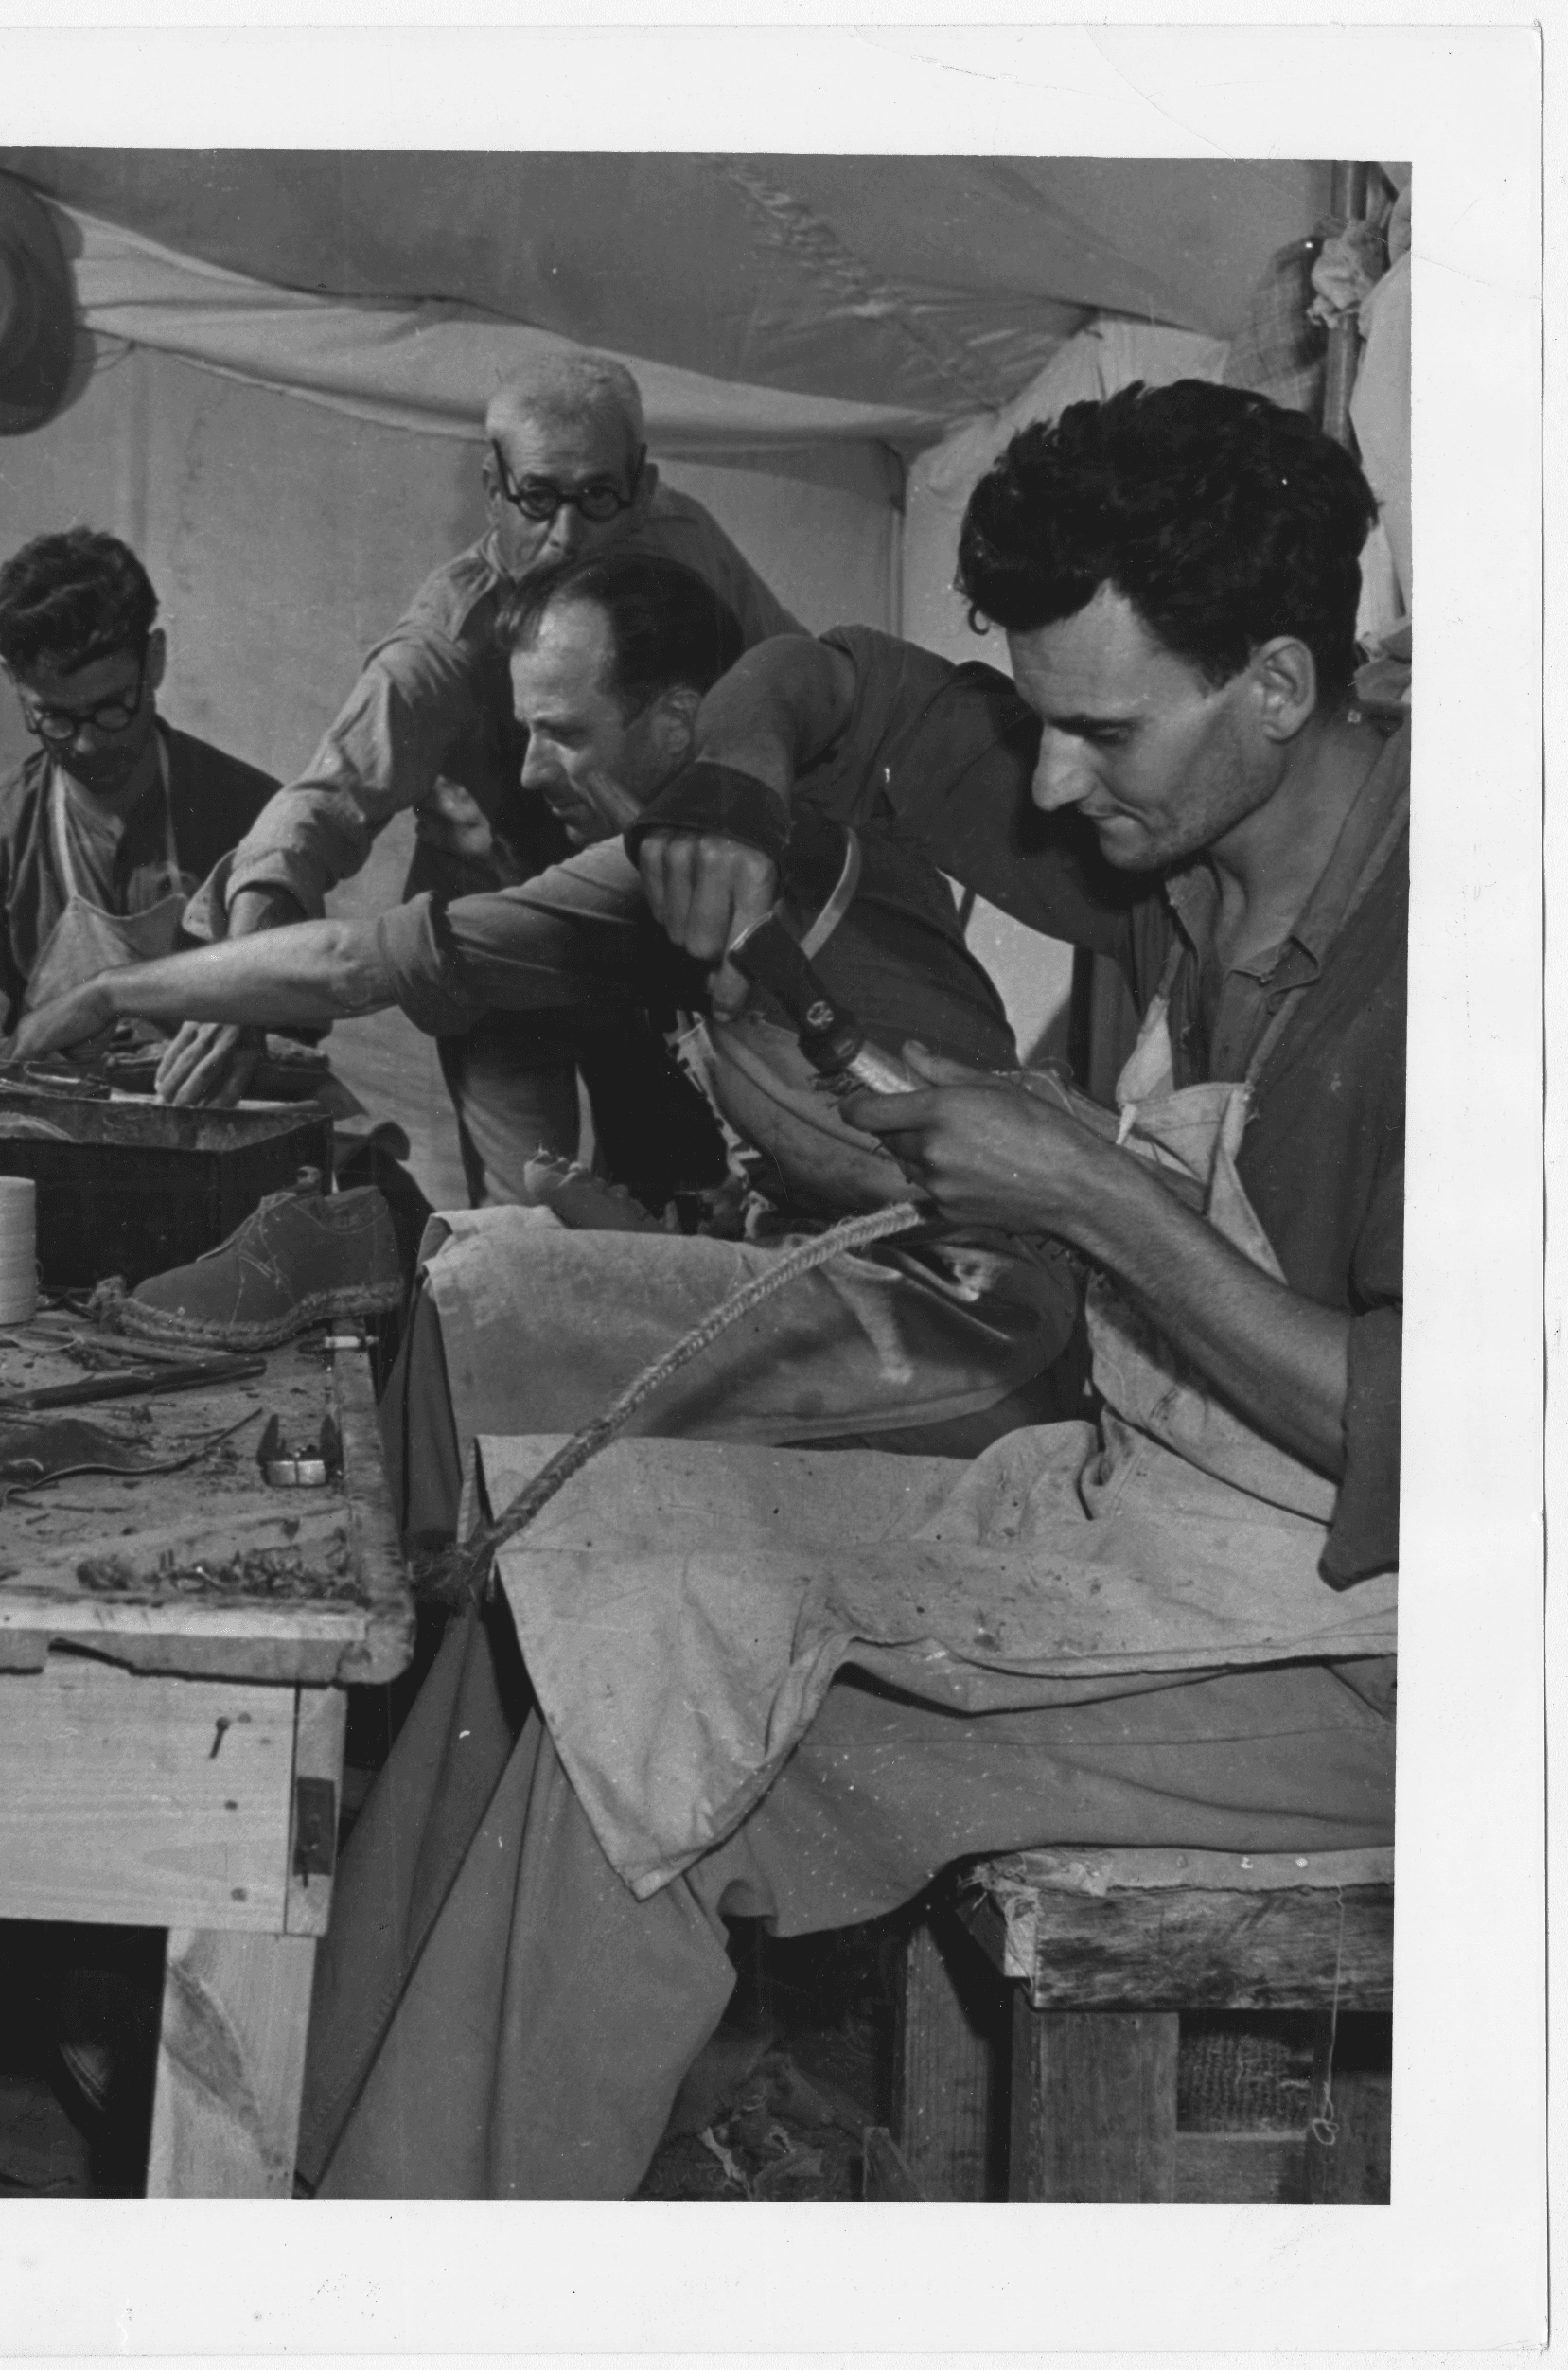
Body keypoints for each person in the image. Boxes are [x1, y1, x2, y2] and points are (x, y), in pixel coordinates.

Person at [293, 380, 1401, 2197]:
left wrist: (1090, 1197)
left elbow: (1449, 1451)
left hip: (1385, 1667)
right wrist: (731, 779)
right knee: (568, 1575)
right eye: (1044, 723)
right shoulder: (1183, 836)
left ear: (1277, 684)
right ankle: (296, 2147)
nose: (1052, 787)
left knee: (663, 1708)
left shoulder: (1464, 949)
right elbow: (852, 683)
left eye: (1098, 732)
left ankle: (401, 2266)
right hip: (1160, 1524)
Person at [14, 545, 1082, 1530]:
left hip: (980, 1330)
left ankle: (430, 1609)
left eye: (562, 732)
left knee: (480, 1306)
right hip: (880, 1287)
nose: (527, 772)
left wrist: (111, 991)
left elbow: (354, 963)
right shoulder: (718, 857)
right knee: (471, 1247)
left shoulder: (750, 849)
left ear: (678, 721)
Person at [161, 350, 801, 1217]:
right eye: (537, 498)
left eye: (599, 497)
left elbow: (795, 682)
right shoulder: (444, 641)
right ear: (493, 488)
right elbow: (320, 805)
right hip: (496, 944)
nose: (567, 536)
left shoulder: (688, 547)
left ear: (643, 488)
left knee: (683, 1202)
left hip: (646, 938)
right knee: (525, 1218)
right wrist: (237, 985)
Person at [0, 528, 277, 1066]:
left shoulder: (252, 815)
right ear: (14, 682)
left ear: (154, 660)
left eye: (111, 708)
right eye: (55, 716)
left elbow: (296, 1011)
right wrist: (10, 1063)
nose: (87, 744)